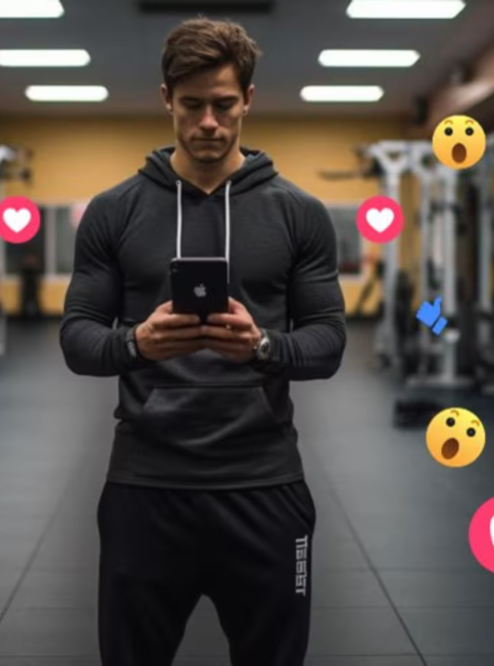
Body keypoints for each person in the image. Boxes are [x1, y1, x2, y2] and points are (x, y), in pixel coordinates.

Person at [60, 17, 346, 666]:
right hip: (145, 488)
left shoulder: (299, 214)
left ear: (248, 99)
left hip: (264, 486)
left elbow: (328, 343)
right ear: (166, 99)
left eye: (223, 105)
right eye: (192, 106)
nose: (208, 123)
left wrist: (263, 347)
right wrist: (136, 343)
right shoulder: (116, 210)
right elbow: (77, 338)